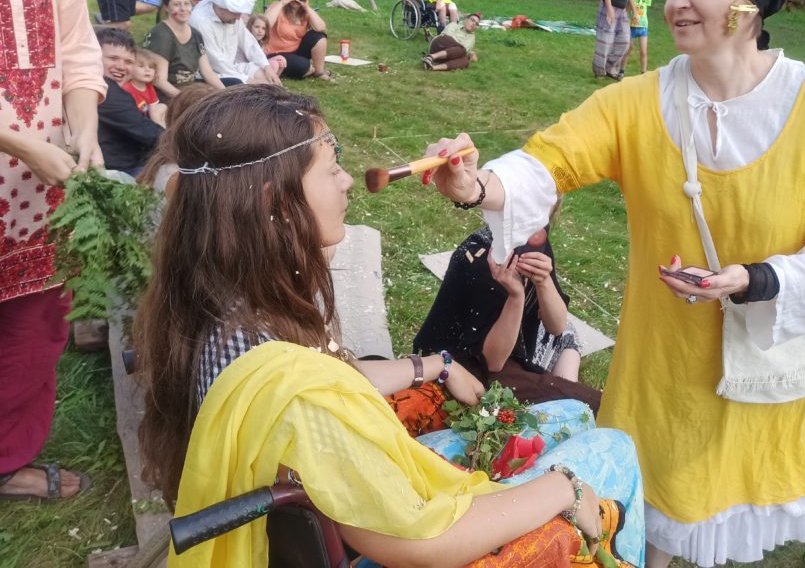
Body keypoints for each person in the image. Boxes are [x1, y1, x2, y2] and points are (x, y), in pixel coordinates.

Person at [425, 0, 805, 568]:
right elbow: (550, 160)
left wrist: (755, 279)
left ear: (752, 2)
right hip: (669, 349)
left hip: (776, 335)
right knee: (661, 485)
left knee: (789, 460)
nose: (676, 3)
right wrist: (477, 186)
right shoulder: (638, 101)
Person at [134, 85, 645, 568]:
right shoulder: (296, 393)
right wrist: (563, 487)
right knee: (614, 449)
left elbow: (336, 377)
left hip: (349, 508)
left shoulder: (227, 301)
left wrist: (436, 364)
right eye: (332, 168)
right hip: (404, 539)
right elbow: (424, 540)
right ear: (277, 203)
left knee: (569, 414)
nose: (348, 180)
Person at [0, 0, 107, 502]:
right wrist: (19, 142)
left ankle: (7, 460)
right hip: (21, 157)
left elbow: (77, 49)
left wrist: (84, 129)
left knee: (33, 321)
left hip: (38, 184)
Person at [413, 219, 602, 410]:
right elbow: (491, 364)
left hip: (513, 349)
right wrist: (516, 296)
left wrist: (543, 281)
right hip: (470, 369)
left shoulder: (532, 238)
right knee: (592, 405)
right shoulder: (481, 259)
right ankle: (567, 402)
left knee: (568, 332)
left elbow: (557, 327)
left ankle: (567, 398)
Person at [96, 28, 163, 176]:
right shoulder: (105, 91)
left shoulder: (110, 88)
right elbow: (147, 132)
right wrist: (183, 141)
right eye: (113, 58)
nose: (121, 66)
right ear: (94, 56)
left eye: (128, 62)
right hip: (123, 169)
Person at [190, 0, 284, 86]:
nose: (239, 18)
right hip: (211, 74)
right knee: (247, 84)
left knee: (263, 75)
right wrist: (248, 80)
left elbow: (249, 43)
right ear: (221, 8)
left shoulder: (231, 17)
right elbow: (217, 62)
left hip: (231, 67)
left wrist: (267, 67)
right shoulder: (201, 22)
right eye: (236, 14)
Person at [141, 0, 225, 99]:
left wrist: (227, 95)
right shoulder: (161, 34)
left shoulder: (195, 34)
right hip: (168, 95)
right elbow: (159, 81)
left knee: (233, 84)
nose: (183, 9)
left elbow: (207, 72)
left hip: (189, 89)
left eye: (187, 4)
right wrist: (186, 100)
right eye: (176, 4)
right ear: (166, 7)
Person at [266, 0, 331, 81]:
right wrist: (282, 3)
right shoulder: (277, 6)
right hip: (276, 52)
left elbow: (321, 27)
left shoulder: (305, 12)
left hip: (296, 50)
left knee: (319, 36)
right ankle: (306, 69)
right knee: (303, 65)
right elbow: (266, 23)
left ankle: (319, 72)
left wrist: (306, 6)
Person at [619, 0, 654, 77]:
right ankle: (621, 72)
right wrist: (625, 21)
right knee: (628, 49)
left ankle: (643, 74)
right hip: (632, 26)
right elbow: (627, 9)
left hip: (643, 26)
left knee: (644, 52)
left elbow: (645, 9)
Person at [120, 48, 168, 127]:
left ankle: (161, 128)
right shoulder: (126, 89)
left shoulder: (149, 87)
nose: (147, 70)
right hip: (133, 120)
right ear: (130, 68)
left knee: (163, 106)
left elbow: (153, 108)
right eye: (141, 66)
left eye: (151, 67)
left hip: (147, 117)